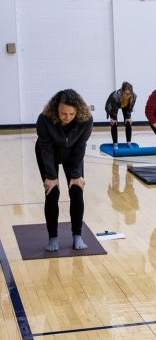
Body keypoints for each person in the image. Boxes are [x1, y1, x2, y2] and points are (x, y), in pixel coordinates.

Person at [35, 89, 93, 251]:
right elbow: (45, 148)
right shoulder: (44, 119)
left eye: (71, 114)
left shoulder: (86, 120)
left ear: (78, 111)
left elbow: (81, 145)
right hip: (48, 153)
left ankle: (77, 235)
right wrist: (51, 176)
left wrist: (76, 175)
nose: (67, 118)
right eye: (63, 114)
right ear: (56, 109)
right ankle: (53, 237)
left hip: (73, 154)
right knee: (52, 192)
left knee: (76, 190)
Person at [104, 81, 136, 145]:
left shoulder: (133, 96)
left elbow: (130, 107)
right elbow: (114, 109)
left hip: (125, 105)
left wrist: (128, 117)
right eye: (126, 94)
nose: (128, 96)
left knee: (128, 122)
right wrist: (113, 118)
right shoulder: (115, 96)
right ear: (122, 91)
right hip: (113, 106)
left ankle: (129, 143)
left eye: (129, 94)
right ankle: (115, 143)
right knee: (114, 123)